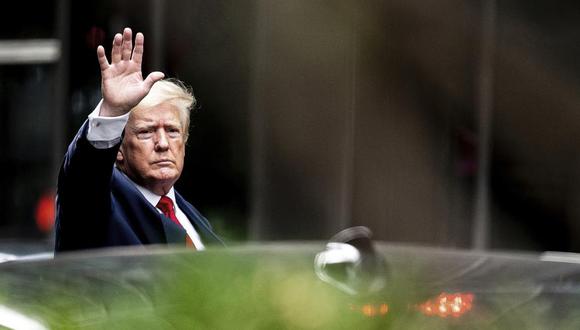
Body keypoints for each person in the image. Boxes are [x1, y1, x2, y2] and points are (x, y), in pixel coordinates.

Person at [54, 27, 223, 252]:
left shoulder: (194, 218)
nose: (163, 144)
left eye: (172, 131)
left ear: (184, 141)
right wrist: (113, 112)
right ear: (119, 149)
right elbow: (83, 176)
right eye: (146, 132)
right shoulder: (99, 207)